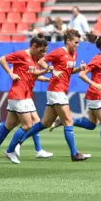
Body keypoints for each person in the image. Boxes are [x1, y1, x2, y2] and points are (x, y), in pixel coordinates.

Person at [13, 30, 90, 162]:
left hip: (59, 90)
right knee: (68, 121)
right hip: (56, 90)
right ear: (68, 41)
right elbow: (42, 61)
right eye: (76, 42)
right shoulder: (59, 51)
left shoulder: (74, 54)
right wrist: (53, 71)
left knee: (45, 123)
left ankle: (19, 142)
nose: (77, 45)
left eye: (79, 43)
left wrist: (79, 69)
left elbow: (68, 72)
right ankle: (74, 154)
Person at [49, 33, 101, 160]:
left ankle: (64, 121)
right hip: (95, 95)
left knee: (91, 124)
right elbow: (82, 74)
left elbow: (99, 75)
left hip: (94, 94)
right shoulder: (98, 59)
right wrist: (95, 85)